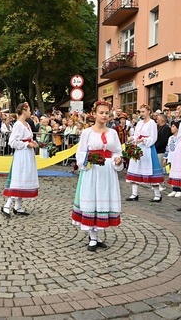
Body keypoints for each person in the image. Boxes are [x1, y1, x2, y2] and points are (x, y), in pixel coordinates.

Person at [72, 100, 123, 251]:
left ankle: (97, 234)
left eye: (107, 113)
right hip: (92, 170)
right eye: (101, 112)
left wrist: (118, 159)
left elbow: (117, 151)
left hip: (107, 171)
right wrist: (87, 161)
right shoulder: (87, 132)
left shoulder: (113, 133)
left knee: (103, 200)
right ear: (94, 114)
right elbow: (80, 153)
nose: (104, 115)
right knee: (92, 199)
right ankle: (93, 237)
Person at [1, 102, 39, 216]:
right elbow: (12, 142)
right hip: (21, 155)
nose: (30, 112)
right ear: (23, 111)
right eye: (29, 110)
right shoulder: (18, 125)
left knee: (24, 178)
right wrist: (27, 144)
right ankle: (7, 206)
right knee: (18, 178)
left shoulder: (27, 124)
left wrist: (32, 143)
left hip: (28, 155)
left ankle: (17, 206)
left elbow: (27, 138)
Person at [125, 104, 164, 202]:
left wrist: (143, 140)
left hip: (147, 149)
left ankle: (157, 195)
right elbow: (136, 135)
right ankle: (134, 194)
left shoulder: (152, 123)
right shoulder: (139, 123)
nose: (142, 114)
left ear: (149, 112)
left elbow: (154, 138)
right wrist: (132, 138)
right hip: (138, 147)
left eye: (143, 111)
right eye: (141, 112)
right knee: (135, 168)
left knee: (150, 171)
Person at [163, 121, 181, 197]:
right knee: (172, 174)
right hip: (171, 158)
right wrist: (165, 158)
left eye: (173, 126)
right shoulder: (170, 138)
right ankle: (174, 188)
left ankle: (179, 189)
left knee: (178, 174)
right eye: (171, 126)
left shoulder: (180, 138)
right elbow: (168, 148)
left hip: (178, 158)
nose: (172, 128)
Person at [155, 114, 172, 191]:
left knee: (161, 168)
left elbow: (164, 141)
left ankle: (162, 183)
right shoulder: (159, 128)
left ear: (162, 120)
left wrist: (156, 146)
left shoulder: (166, 128)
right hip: (157, 150)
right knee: (158, 168)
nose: (157, 120)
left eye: (158, 119)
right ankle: (158, 182)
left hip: (161, 150)